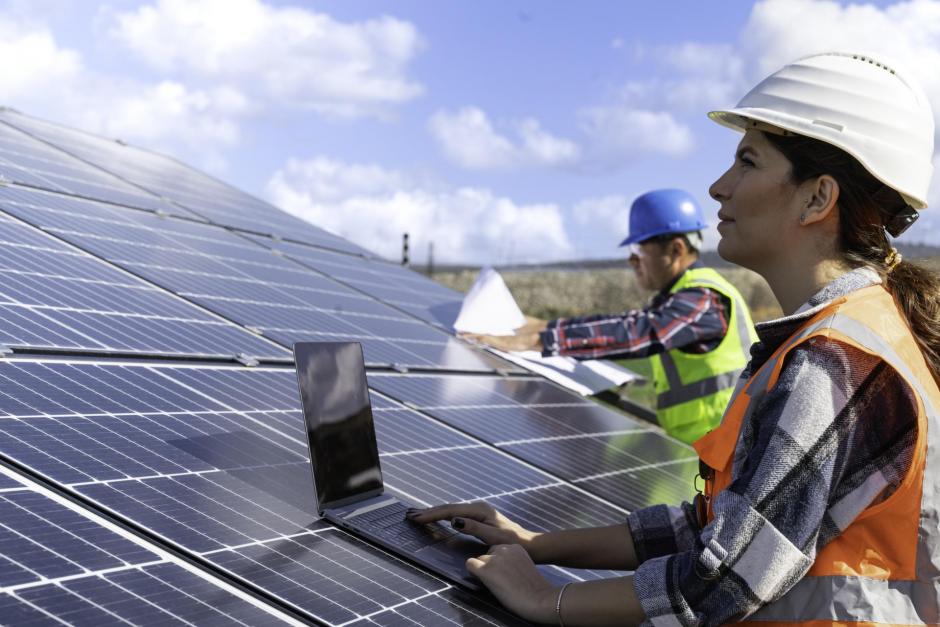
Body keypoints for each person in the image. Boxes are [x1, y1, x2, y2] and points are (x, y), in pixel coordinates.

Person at [411, 51, 940, 625]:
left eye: (747, 161)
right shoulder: (845, 336)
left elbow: (724, 581)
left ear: (817, 198)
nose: (718, 187)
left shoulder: (836, 365)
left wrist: (545, 600)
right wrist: (538, 543)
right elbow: (710, 524)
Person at [469, 188, 757, 444]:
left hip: (726, 450)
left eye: (638, 249)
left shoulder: (703, 299)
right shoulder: (684, 297)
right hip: (703, 446)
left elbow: (637, 333)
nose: (632, 261)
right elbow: (626, 323)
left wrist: (538, 340)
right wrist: (544, 325)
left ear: (675, 249)